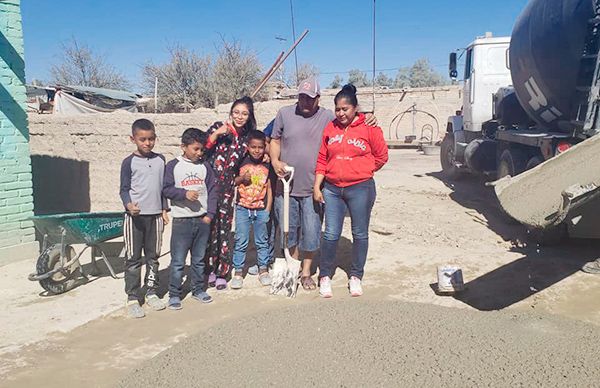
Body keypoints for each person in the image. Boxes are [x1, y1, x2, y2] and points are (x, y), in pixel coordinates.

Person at [269, 77, 377, 291]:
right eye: (302, 98)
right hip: (287, 187)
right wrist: (274, 160)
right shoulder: (284, 114)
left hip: (314, 188)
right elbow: (273, 139)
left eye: (310, 99)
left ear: (318, 98)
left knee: (311, 231)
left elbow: (350, 117)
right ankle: (293, 265)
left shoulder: (328, 116)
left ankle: (307, 272)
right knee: (288, 230)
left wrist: (368, 116)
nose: (305, 102)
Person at [314, 84, 388, 298]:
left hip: (360, 188)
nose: (340, 113)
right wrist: (317, 185)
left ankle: (356, 275)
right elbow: (322, 158)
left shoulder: (370, 128)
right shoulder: (331, 128)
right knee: (330, 233)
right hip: (333, 189)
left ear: (355, 108)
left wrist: (361, 170)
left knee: (360, 233)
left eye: (345, 109)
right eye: (337, 109)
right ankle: (325, 275)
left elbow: (381, 156)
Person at [204, 96, 256, 290]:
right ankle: (207, 270)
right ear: (231, 113)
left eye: (244, 113)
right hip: (208, 188)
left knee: (224, 231)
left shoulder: (246, 139)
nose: (239, 117)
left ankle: (221, 273)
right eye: (236, 112)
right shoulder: (219, 128)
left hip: (227, 190)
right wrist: (216, 134)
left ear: (249, 116)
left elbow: (254, 154)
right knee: (209, 229)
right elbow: (202, 149)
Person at [119, 118, 169, 318]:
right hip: (134, 219)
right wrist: (129, 205)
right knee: (132, 259)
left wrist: (165, 209)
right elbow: (123, 189)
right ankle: (132, 297)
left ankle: (151, 292)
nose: (147, 143)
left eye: (151, 139)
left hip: (155, 217)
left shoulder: (160, 160)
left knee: (153, 258)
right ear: (133, 139)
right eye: (142, 139)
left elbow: (163, 188)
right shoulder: (128, 162)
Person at [163, 128, 217, 309]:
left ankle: (198, 290)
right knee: (178, 261)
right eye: (195, 149)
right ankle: (174, 294)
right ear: (183, 147)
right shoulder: (173, 166)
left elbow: (212, 191)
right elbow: (166, 189)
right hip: (182, 222)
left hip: (201, 221)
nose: (199, 153)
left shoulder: (205, 167)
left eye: (201, 149)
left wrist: (209, 215)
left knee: (199, 259)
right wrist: (183, 194)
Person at [230, 130, 275, 289]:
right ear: (247, 147)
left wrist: (268, 208)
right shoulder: (241, 161)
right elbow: (232, 181)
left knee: (262, 241)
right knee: (241, 241)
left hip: (261, 209)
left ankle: (263, 269)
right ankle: (238, 272)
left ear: (265, 147)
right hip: (243, 208)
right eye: (253, 147)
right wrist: (242, 179)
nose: (257, 150)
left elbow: (269, 187)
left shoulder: (267, 163)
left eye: (260, 147)